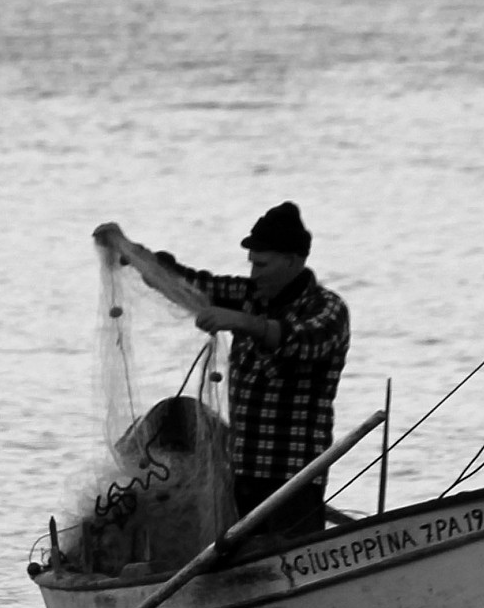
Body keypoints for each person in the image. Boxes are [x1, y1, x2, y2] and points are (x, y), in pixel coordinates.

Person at [94, 202, 351, 538]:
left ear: (292, 260)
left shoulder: (328, 309)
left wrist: (242, 322)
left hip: (295, 478)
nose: (254, 274)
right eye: (251, 264)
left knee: (293, 558)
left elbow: (300, 341)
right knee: (244, 566)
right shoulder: (250, 296)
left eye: (262, 264)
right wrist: (133, 252)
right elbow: (190, 284)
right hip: (242, 475)